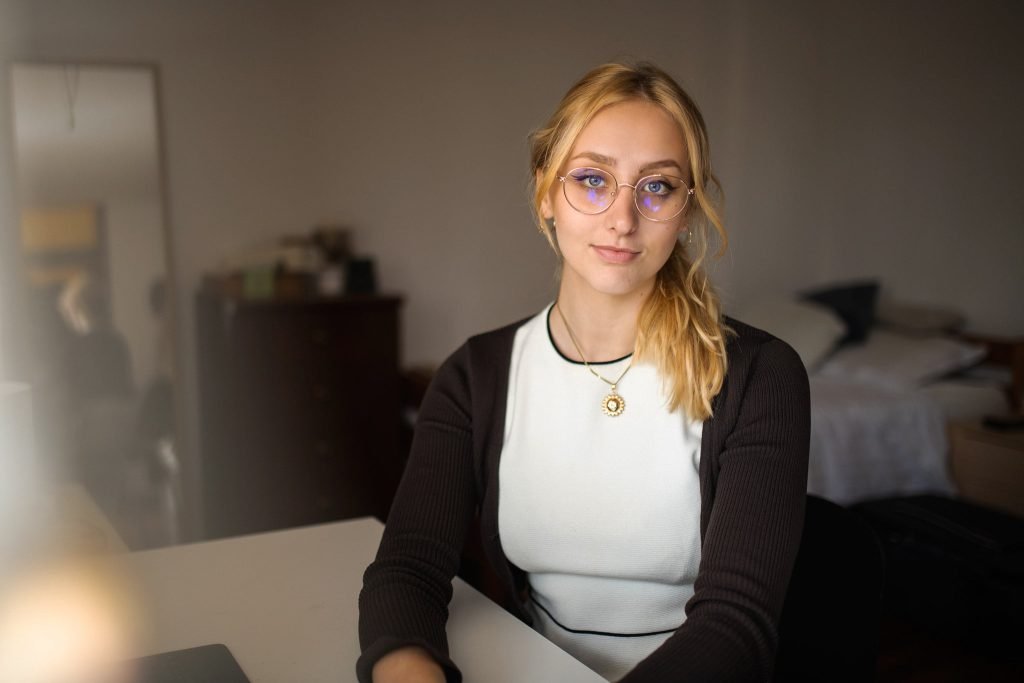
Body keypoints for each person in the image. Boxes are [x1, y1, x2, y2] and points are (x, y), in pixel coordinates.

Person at [358, 61, 810, 683]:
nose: (622, 219)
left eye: (657, 187)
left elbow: (736, 625)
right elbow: (408, 568)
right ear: (546, 191)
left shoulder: (760, 377)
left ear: (686, 210)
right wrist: (408, 671)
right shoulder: (475, 377)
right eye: (593, 180)